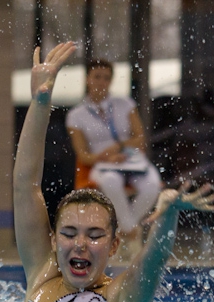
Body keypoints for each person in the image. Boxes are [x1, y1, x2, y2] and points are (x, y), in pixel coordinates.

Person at [12, 43, 214, 302]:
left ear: (114, 244)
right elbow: (25, 185)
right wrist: (41, 100)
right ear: (53, 239)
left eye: (94, 234)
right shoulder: (42, 275)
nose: (80, 244)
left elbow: (153, 261)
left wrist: (166, 215)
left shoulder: (120, 300)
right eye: (69, 232)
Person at [66, 58, 162, 249]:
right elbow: (83, 154)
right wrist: (105, 157)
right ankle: (131, 230)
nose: (101, 82)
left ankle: (122, 231)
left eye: (106, 78)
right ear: (87, 79)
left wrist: (118, 149)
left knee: (152, 184)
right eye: (97, 77)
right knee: (110, 182)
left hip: (131, 160)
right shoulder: (76, 115)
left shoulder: (125, 104)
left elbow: (140, 138)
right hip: (101, 164)